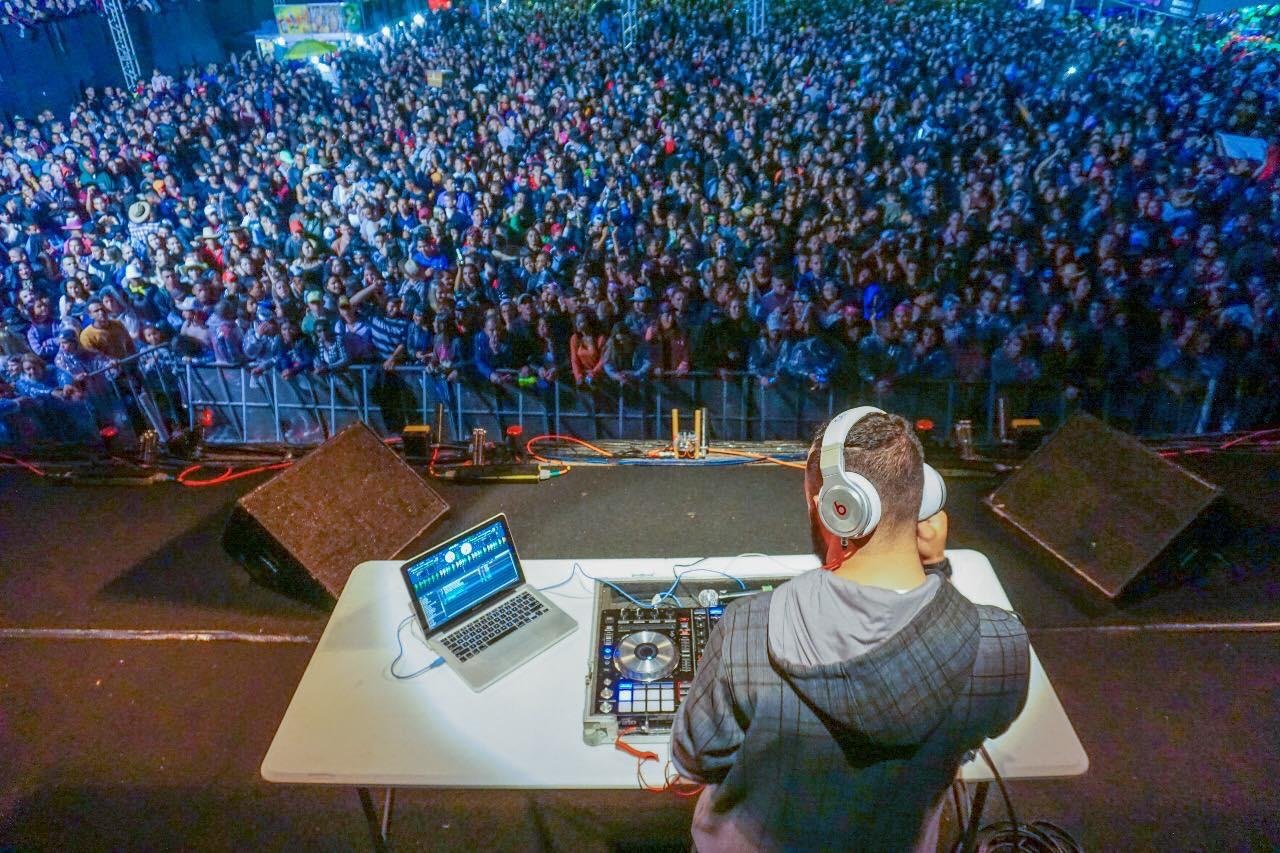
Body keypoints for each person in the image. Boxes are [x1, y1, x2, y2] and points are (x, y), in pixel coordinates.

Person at [672, 409, 1030, 852]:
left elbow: (695, 758)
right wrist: (936, 568)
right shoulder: (1001, 646)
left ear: (838, 510)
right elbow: (974, 730)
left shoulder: (747, 628)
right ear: (922, 501)